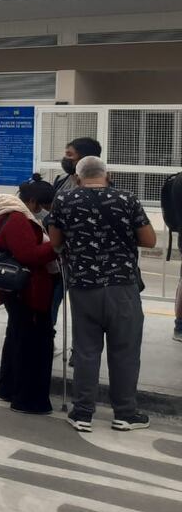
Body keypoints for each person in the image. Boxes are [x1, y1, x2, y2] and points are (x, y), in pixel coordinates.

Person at [49, 155, 155, 432]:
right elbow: (149, 240)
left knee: (86, 351)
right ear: (108, 175)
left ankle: (82, 413)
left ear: (77, 178)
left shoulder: (64, 200)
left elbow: (55, 242)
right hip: (123, 287)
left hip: (84, 287)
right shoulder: (127, 199)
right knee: (125, 351)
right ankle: (125, 413)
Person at [0, 175, 58, 414]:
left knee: (17, 339)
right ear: (32, 201)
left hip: (17, 291)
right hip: (28, 291)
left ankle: (8, 389)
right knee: (32, 346)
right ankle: (27, 400)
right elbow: (28, 255)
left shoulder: (9, 214)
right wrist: (57, 245)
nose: (43, 211)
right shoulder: (18, 219)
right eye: (43, 205)